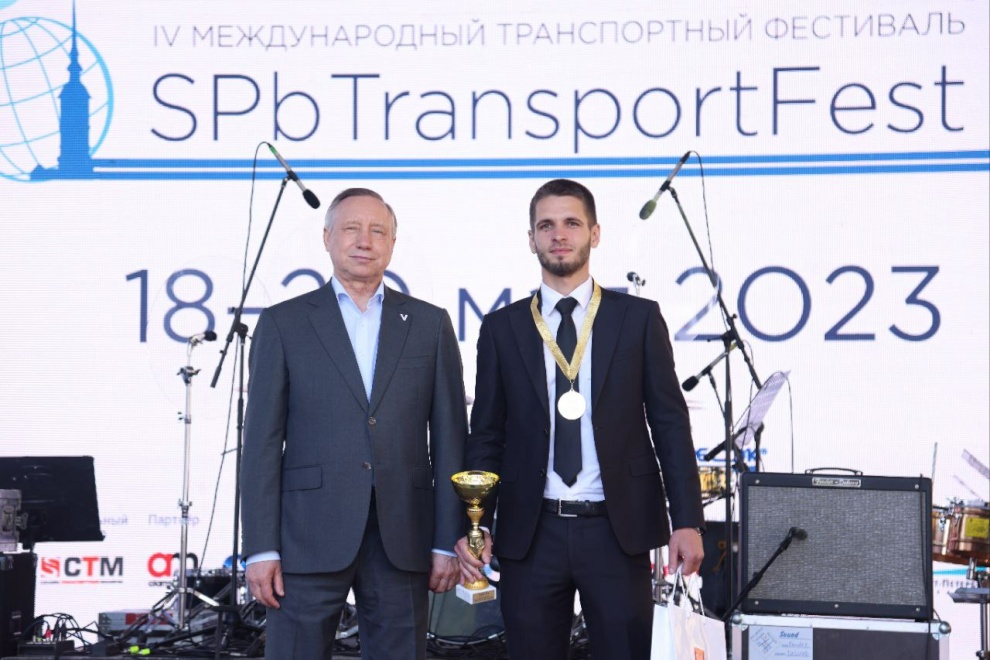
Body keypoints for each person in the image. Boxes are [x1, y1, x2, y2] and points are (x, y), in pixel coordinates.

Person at [455, 179, 705, 660]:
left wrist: (688, 520)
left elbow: (670, 424)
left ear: (595, 233)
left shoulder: (637, 318)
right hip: (532, 532)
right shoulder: (503, 327)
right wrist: (476, 524)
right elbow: (486, 434)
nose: (559, 235)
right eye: (546, 225)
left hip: (617, 530)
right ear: (531, 239)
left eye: (572, 223)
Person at [241, 188, 467, 660]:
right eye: (351, 228)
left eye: (378, 231)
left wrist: (448, 539)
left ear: (392, 244)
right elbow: (260, 443)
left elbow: (451, 440)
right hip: (304, 536)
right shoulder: (283, 324)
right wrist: (261, 548)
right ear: (327, 238)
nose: (365, 240)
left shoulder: (429, 324)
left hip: (402, 535)